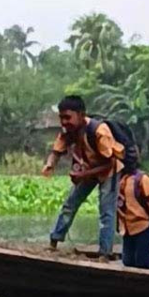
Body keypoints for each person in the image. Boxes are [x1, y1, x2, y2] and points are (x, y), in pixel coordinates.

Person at [42, 95, 120, 258]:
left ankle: (105, 253)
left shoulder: (99, 131)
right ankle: (54, 242)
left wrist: (83, 174)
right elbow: (57, 151)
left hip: (109, 171)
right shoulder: (69, 131)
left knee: (106, 212)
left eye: (67, 117)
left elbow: (110, 162)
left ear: (81, 114)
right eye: (61, 117)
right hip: (89, 169)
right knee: (70, 204)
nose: (64, 122)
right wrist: (50, 165)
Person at [117, 157, 149, 269]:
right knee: (127, 261)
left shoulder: (142, 178)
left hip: (142, 224)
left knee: (142, 263)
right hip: (127, 226)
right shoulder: (121, 180)